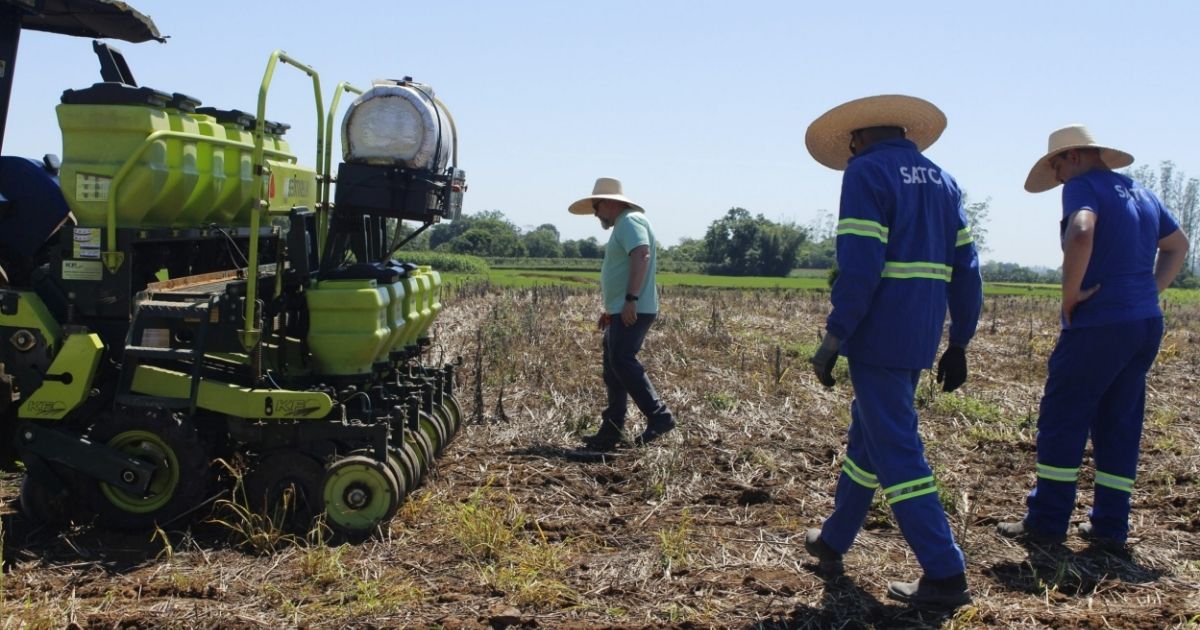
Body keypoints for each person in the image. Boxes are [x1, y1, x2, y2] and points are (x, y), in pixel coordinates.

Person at [803, 95, 983, 608]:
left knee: (899, 451)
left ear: (858, 139)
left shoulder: (864, 174)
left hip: (878, 334)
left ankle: (945, 573)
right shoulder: (944, 181)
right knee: (871, 438)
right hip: (920, 335)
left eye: (851, 146)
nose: (851, 152)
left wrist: (835, 335)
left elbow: (861, 264)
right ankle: (836, 537)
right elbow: (968, 271)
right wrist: (960, 340)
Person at [997, 125, 1189, 549]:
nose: (1059, 177)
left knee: (1063, 418)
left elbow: (1081, 231)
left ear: (1076, 157)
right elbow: (1178, 245)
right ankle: (1109, 527)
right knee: (1119, 421)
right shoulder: (1141, 192)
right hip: (1144, 324)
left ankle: (1046, 522)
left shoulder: (1083, 186)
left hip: (1097, 324)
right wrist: (1148, 291)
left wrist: (1071, 295)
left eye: (1057, 166)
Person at [568, 177, 676, 451]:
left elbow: (641, 254)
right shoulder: (626, 223)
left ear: (610, 202)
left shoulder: (629, 221)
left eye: (596, 206)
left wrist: (630, 300)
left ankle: (659, 416)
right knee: (614, 368)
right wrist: (612, 309)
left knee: (622, 360)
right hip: (622, 309)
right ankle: (612, 429)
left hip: (633, 307)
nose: (595, 213)